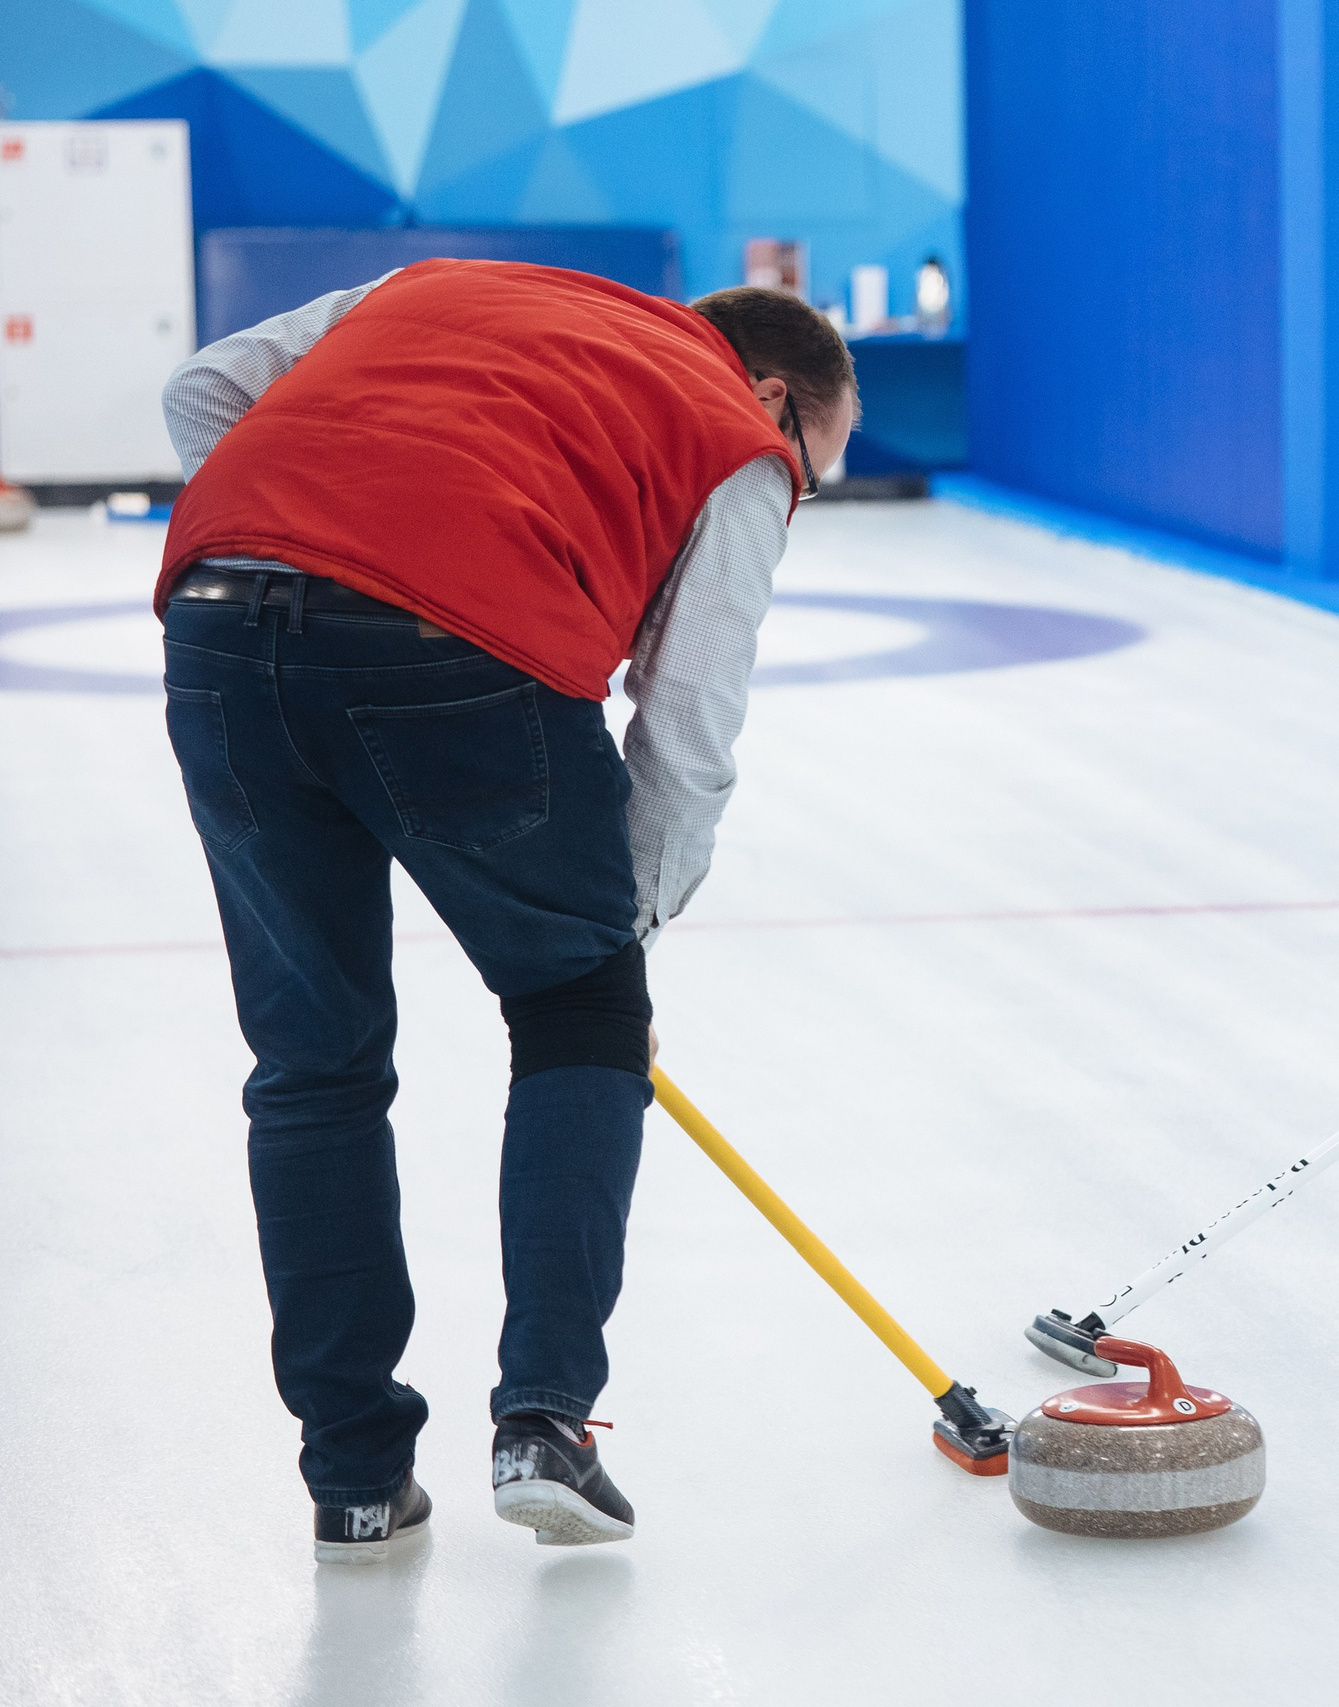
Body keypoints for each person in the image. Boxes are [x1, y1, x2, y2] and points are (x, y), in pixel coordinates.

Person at [155, 260, 857, 1560]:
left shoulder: (437, 283)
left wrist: (297, 548)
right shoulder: (734, 432)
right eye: (817, 471)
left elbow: (204, 389)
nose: (797, 492)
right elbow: (689, 726)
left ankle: (355, 1477)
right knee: (575, 1012)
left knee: (312, 1064)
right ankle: (545, 1418)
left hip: (213, 620)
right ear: (775, 393)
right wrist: (618, 961)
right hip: (458, 655)